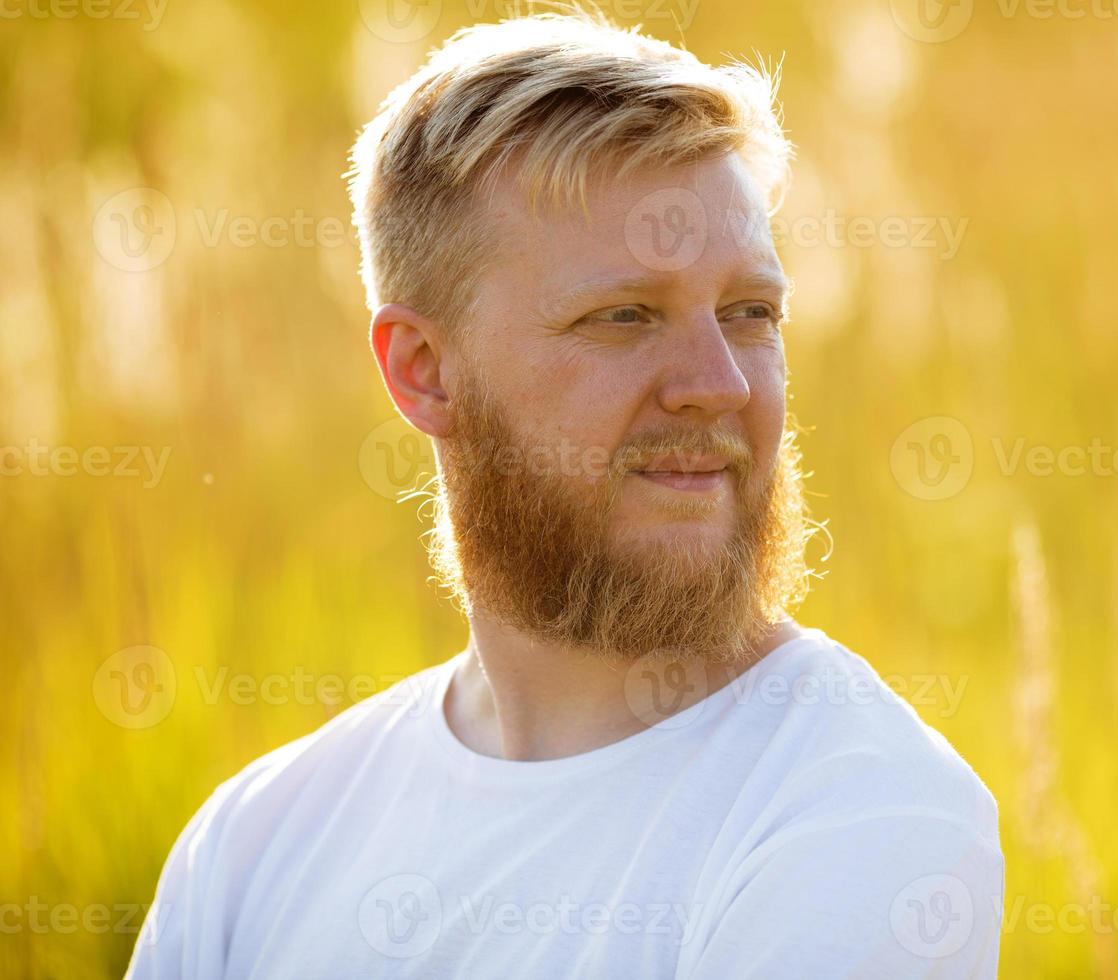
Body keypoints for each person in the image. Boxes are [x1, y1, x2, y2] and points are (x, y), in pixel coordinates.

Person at [126, 10, 1003, 977]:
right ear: (424, 371)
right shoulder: (255, 851)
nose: (720, 383)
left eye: (749, 313)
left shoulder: (857, 815)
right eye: (624, 316)